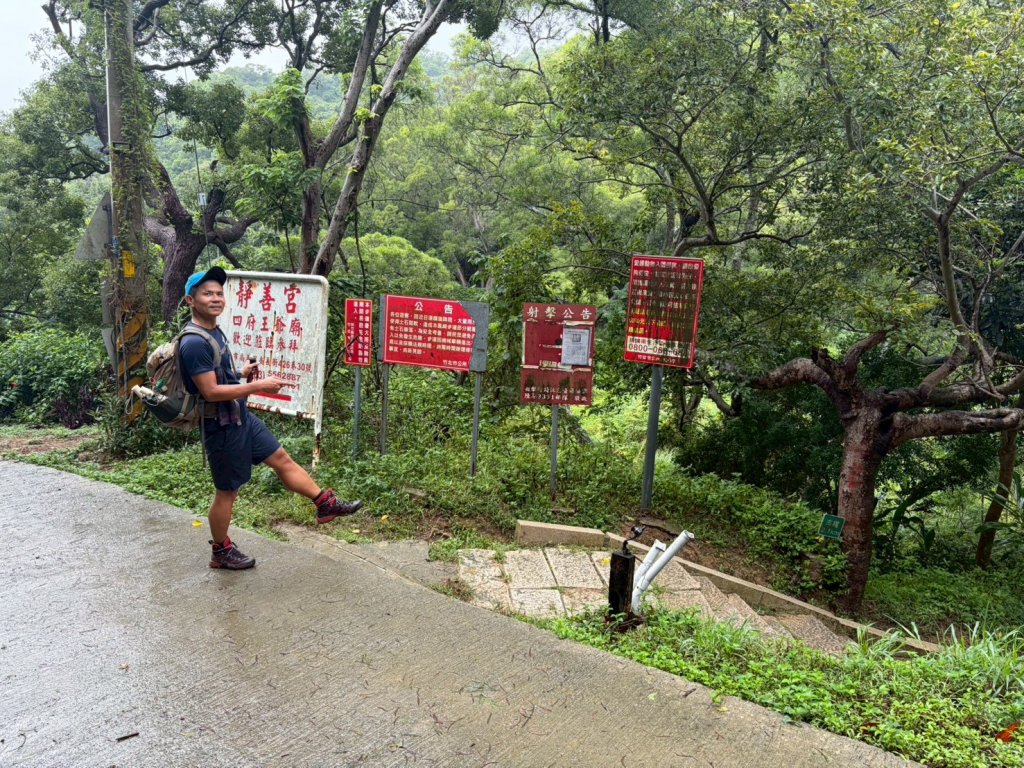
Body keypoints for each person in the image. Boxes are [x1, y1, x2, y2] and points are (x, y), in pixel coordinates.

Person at [179, 266, 362, 570]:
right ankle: (220, 551)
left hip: (240, 416)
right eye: (207, 293)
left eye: (218, 293)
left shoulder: (213, 331)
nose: (215, 298)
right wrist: (257, 385)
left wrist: (241, 375)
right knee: (227, 491)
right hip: (220, 424)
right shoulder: (194, 342)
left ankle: (324, 503)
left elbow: (218, 375)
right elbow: (209, 391)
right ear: (190, 300)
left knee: (280, 458)